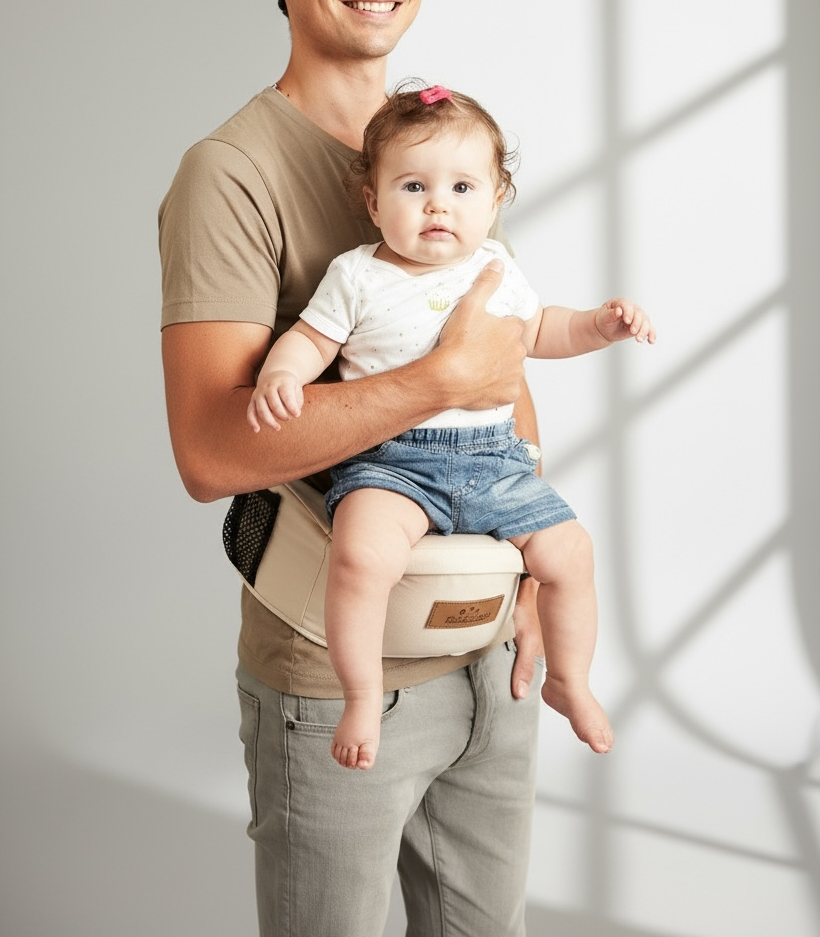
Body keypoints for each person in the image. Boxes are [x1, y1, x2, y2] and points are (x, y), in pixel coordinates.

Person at [159, 0, 552, 937]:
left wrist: (530, 564)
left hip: (488, 646)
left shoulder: (438, 142)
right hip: (337, 675)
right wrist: (436, 383)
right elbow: (210, 450)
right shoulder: (230, 174)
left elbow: (500, 354)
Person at [247, 84, 656, 771]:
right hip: (391, 463)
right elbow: (312, 340)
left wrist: (598, 326)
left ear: (495, 202)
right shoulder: (358, 276)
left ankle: (569, 680)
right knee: (360, 557)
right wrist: (280, 374)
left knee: (570, 555)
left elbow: (539, 332)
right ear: (374, 202)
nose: (439, 204)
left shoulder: (497, 270)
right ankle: (361, 695)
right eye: (414, 186)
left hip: (495, 461)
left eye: (463, 186)